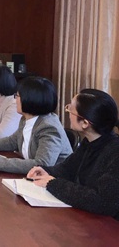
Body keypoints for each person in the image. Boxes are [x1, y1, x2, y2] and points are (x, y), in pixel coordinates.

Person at [27, 89, 119, 219]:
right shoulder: (89, 142)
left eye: (70, 109)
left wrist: (52, 183)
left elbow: (101, 202)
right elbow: (67, 169)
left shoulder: (114, 152)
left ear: (85, 123)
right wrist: (46, 171)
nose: (68, 113)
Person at [0, 76, 73, 174]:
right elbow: (12, 141)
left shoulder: (49, 127)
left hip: (52, 179)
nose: (15, 100)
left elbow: (42, 164)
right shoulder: (26, 118)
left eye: (17, 96)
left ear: (30, 99)